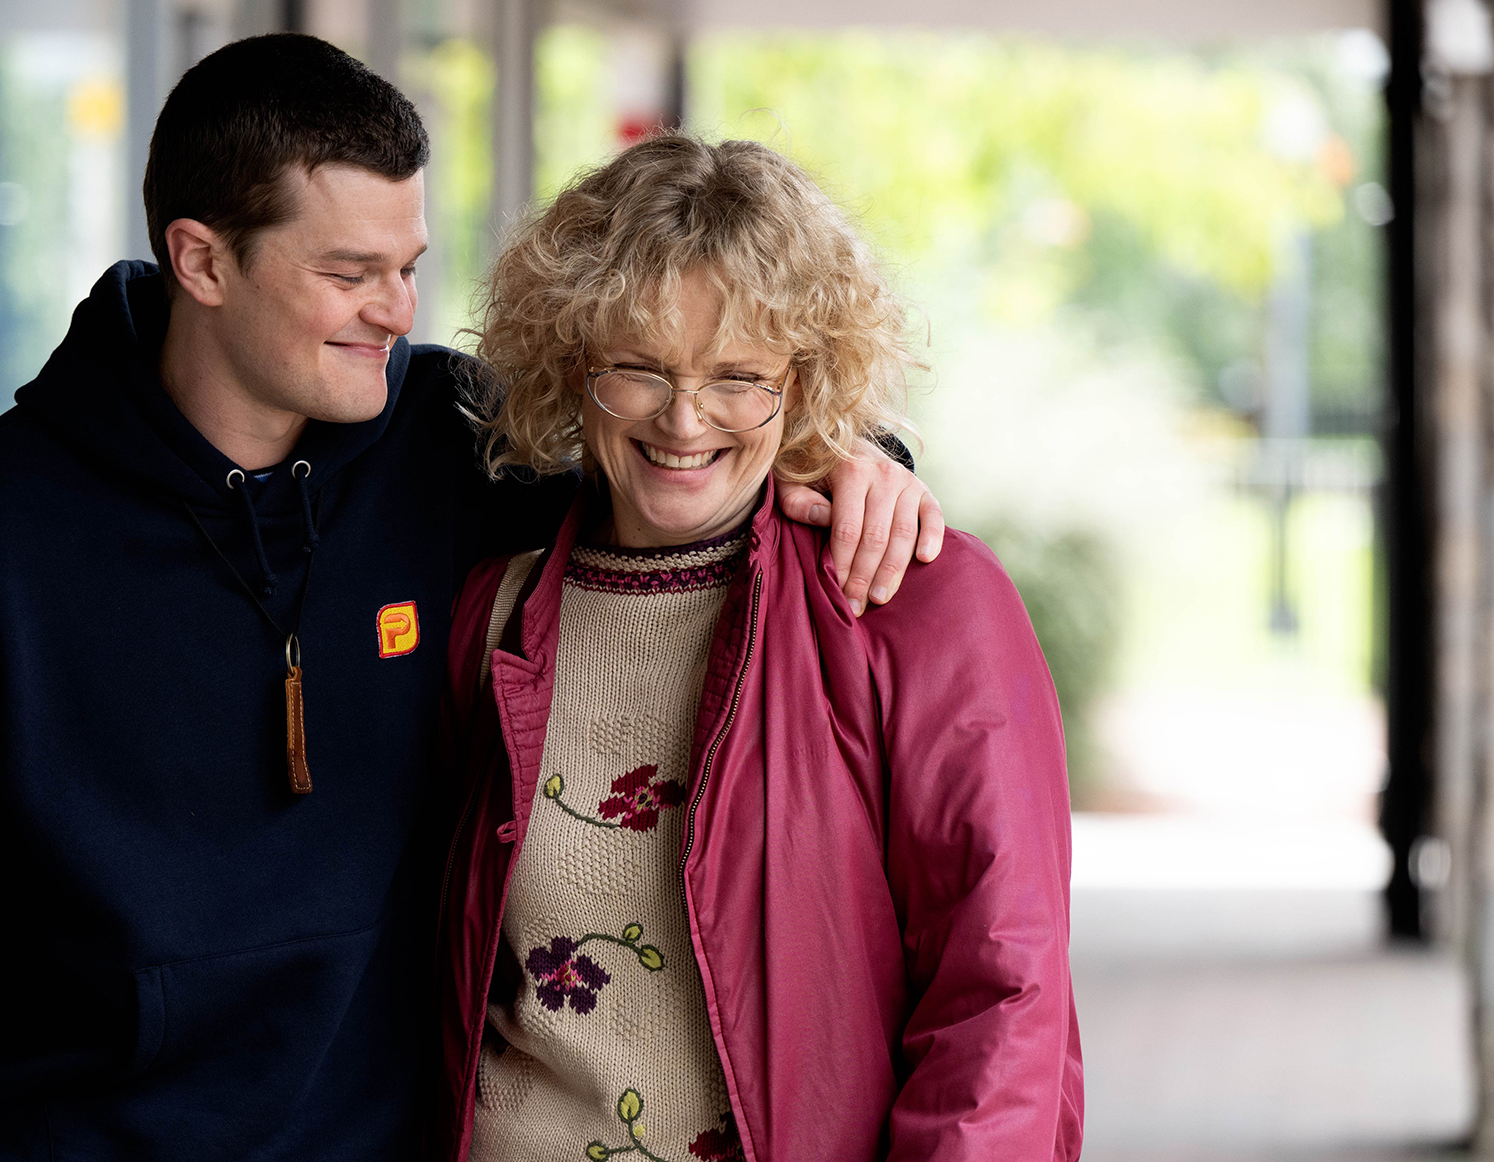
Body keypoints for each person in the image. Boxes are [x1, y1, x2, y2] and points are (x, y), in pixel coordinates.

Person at [0, 36, 940, 1162]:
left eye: (407, 267)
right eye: (348, 273)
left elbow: (683, 442)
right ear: (202, 259)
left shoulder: (451, 446)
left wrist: (855, 453)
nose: (397, 310)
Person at [432, 134, 1082, 1162]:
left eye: (739, 377)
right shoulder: (491, 612)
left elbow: (1002, 991)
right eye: (640, 368)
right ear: (573, 361)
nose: (685, 419)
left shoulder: (917, 601)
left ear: (807, 377)